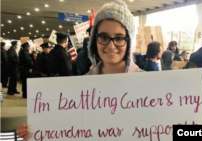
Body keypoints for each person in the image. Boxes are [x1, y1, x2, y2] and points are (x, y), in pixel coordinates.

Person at [17, 0, 143, 139]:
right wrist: (37, 131)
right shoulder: (80, 87)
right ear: (95, 40)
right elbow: (67, 129)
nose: (111, 46)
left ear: (129, 41)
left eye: (119, 38)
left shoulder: (153, 87)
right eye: (104, 37)